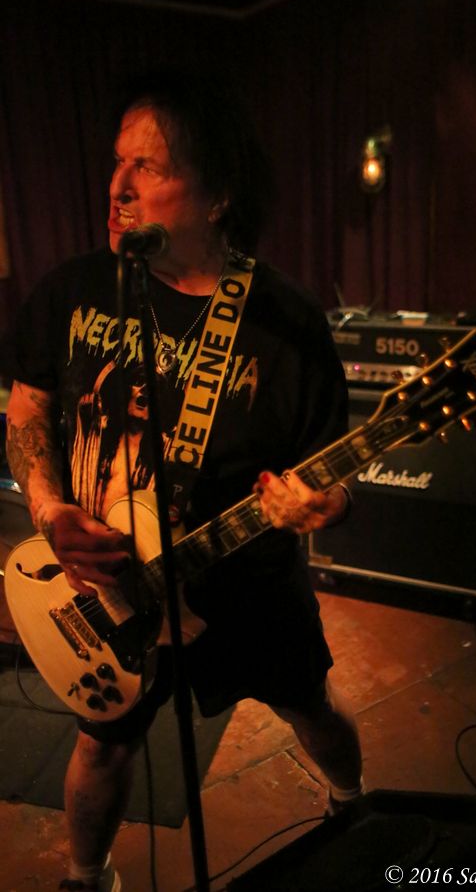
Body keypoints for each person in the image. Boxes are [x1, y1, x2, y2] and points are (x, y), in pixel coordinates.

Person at [5, 69, 364, 892]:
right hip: (111, 587)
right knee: (103, 745)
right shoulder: (70, 290)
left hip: (248, 586)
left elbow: (338, 472)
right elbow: (27, 408)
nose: (118, 187)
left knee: (308, 703)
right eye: (117, 161)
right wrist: (51, 511)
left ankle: (354, 806)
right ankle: (86, 876)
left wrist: (324, 503)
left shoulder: (286, 322)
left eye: (150, 167)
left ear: (218, 195)